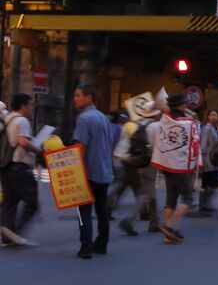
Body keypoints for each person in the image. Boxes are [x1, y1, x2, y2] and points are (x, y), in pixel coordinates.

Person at [73, 84, 115, 259]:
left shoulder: (84, 118)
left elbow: (80, 147)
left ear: (89, 98)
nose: (75, 99)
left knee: (84, 211)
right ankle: (102, 243)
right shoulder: (103, 117)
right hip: (104, 170)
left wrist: (76, 171)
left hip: (88, 171)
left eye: (78, 96)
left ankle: (86, 246)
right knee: (102, 210)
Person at [0, 94, 42, 247]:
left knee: (9, 202)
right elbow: (23, 142)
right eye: (30, 105)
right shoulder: (22, 121)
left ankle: (6, 236)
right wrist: (38, 151)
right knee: (32, 202)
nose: (31, 108)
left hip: (6, 166)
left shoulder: (8, 118)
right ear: (23, 106)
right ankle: (15, 234)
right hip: (20, 166)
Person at [115, 102, 161, 236]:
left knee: (150, 191)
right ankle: (128, 220)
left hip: (136, 162)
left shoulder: (137, 125)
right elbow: (161, 146)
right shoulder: (156, 126)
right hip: (150, 162)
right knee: (146, 193)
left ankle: (154, 222)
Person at [158, 93, 198, 243]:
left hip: (166, 163)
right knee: (188, 198)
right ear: (181, 105)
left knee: (171, 199)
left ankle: (168, 235)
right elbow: (193, 143)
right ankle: (170, 226)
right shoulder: (187, 122)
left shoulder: (164, 120)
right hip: (180, 165)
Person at [199, 109, 218, 213]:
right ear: (208, 117)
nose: (213, 117)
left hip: (213, 159)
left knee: (209, 182)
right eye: (211, 115)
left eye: (215, 115)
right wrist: (202, 159)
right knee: (210, 182)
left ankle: (204, 203)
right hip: (207, 159)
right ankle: (203, 204)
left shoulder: (216, 128)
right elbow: (203, 143)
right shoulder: (208, 128)